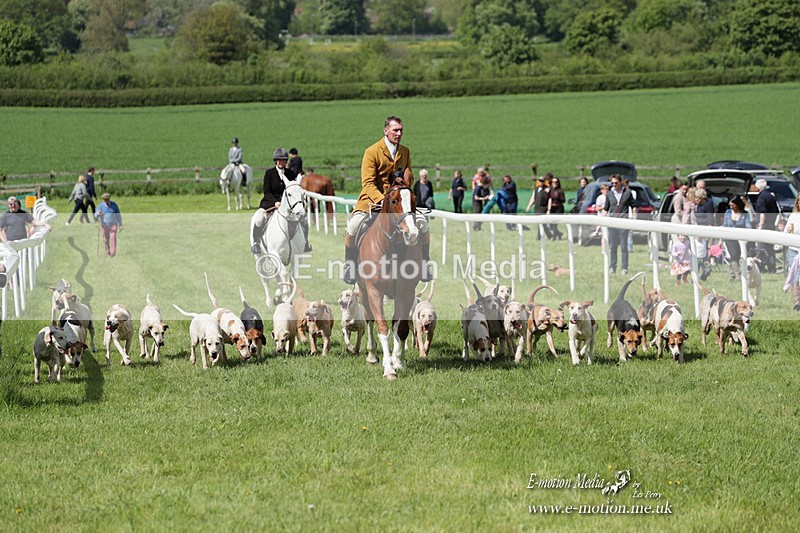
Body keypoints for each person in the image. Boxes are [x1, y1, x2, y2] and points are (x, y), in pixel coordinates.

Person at [343, 115, 432, 284]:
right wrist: (384, 201)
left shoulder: (405, 151)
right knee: (353, 226)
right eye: (395, 130)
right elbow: (368, 183)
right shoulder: (371, 151)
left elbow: (408, 177)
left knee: (423, 224)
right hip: (373, 199)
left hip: (399, 200)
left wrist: (407, 179)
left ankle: (425, 263)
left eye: (401, 130)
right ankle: (350, 266)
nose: (399, 133)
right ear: (386, 131)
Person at [250, 147, 311, 254]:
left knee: (304, 220)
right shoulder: (269, 173)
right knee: (259, 218)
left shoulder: (290, 173)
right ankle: (256, 243)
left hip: (288, 206)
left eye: (283, 160)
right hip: (270, 203)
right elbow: (267, 191)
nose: (281, 162)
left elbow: (294, 190)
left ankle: (305, 243)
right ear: (275, 161)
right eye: (279, 160)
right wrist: (275, 202)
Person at [606, 174, 637, 274]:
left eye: (616, 183)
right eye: (612, 183)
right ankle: (613, 266)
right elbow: (606, 209)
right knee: (613, 246)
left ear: (620, 182)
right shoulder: (609, 194)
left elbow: (634, 206)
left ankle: (624, 268)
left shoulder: (628, 193)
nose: (614, 185)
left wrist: (634, 221)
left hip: (624, 222)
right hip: (612, 223)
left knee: (624, 246)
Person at [720, 195, 751, 281]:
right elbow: (725, 225)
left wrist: (747, 239)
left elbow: (748, 226)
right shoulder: (728, 213)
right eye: (730, 205)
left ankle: (732, 274)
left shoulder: (745, 214)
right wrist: (721, 238)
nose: (731, 207)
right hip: (729, 238)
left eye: (733, 205)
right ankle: (738, 276)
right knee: (733, 255)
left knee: (736, 256)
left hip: (741, 238)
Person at [754, 178, 780, 273]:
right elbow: (777, 211)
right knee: (770, 249)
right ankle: (772, 268)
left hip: (764, 225)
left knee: (761, 248)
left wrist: (761, 225)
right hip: (771, 225)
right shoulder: (771, 196)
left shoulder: (762, 197)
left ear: (758, 187)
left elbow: (762, 212)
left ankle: (762, 267)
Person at [783, 194, 800, 310]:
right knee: (795, 275)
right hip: (793, 249)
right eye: (798, 201)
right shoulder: (793, 216)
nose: (799, 203)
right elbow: (785, 232)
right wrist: (788, 230)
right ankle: (797, 302)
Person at [526, 174, 554, 240]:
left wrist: (549, 209)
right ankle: (549, 235)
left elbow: (550, 199)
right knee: (541, 223)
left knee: (540, 222)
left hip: (543, 208)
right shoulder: (536, 189)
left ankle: (539, 237)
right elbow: (533, 198)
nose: (541, 182)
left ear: (544, 182)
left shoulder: (547, 189)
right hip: (537, 208)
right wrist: (529, 206)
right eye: (540, 181)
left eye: (542, 181)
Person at [95, 192, 123, 257]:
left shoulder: (114, 205)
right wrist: (98, 214)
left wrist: (120, 224)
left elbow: (118, 215)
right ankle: (107, 253)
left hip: (113, 224)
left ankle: (113, 253)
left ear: (109, 198)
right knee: (105, 239)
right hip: (104, 225)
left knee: (113, 238)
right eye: (105, 199)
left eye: (107, 199)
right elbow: (95, 215)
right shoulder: (100, 206)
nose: (106, 200)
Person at [546, 176, 565, 240]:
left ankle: (554, 237)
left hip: (558, 208)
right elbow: (547, 199)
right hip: (552, 208)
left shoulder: (560, 191)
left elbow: (563, 200)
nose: (554, 183)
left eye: (556, 182)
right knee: (551, 223)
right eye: (553, 182)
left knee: (555, 223)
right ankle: (559, 234)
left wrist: (558, 197)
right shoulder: (550, 190)